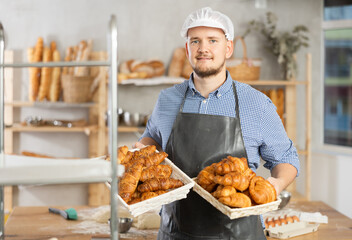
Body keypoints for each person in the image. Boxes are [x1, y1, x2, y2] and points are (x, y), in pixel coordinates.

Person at [133, 7, 299, 240]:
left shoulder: (256, 103)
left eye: (213, 40)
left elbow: (286, 159)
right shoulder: (167, 100)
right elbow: (151, 139)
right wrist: (140, 152)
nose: (203, 49)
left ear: (228, 48)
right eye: (195, 41)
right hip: (175, 232)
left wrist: (273, 186)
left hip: (240, 234)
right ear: (187, 49)